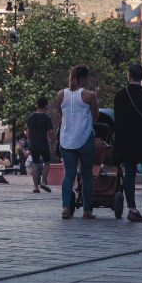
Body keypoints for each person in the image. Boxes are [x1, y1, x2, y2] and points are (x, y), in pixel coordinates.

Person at [113, 62, 142, 223]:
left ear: (128, 75)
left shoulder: (119, 95)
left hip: (126, 140)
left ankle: (132, 209)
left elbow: (118, 122)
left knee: (129, 173)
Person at [56, 64, 99, 220]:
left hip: (66, 139)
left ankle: (66, 208)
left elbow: (62, 115)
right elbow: (95, 117)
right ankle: (87, 210)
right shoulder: (89, 96)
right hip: (85, 138)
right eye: (87, 77)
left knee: (69, 174)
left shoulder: (61, 94)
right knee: (87, 175)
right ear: (83, 78)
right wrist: (97, 99)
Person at [27, 96, 54, 194]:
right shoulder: (47, 118)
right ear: (45, 105)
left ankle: (35, 187)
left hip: (33, 144)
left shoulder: (31, 117)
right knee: (47, 162)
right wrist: (54, 142)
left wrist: (28, 141)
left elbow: (28, 131)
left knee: (35, 164)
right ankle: (43, 182)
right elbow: (51, 132)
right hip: (43, 144)